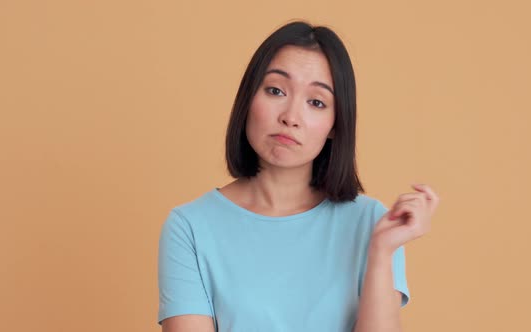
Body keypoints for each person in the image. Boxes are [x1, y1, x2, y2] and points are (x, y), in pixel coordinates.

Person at [157, 20, 440, 332]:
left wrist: (382, 252)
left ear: (335, 124)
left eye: (316, 102)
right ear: (248, 99)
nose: (290, 117)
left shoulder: (373, 224)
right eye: (275, 90)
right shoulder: (190, 227)